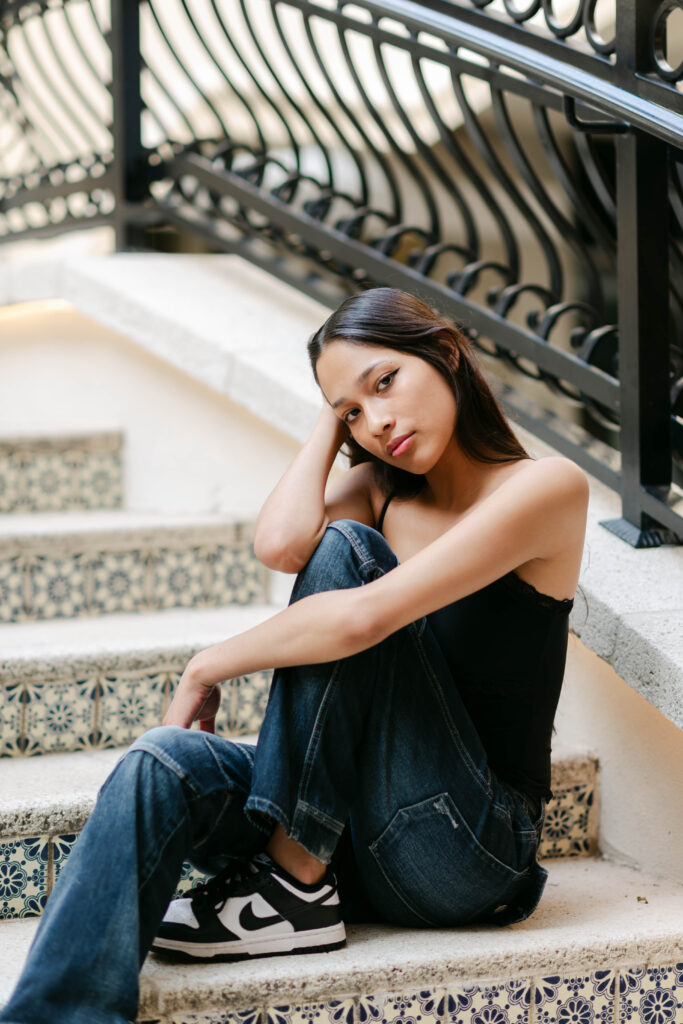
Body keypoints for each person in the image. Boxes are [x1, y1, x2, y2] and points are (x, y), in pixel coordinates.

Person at [0, 287, 588, 1024]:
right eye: (351, 413)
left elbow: (363, 615)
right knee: (161, 759)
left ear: (444, 355)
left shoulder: (547, 487)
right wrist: (331, 408)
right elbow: (279, 544)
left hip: (466, 850)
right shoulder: (379, 489)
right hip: (357, 836)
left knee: (348, 555)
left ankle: (292, 882)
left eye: (385, 383)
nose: (376, 423)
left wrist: (205, 664)